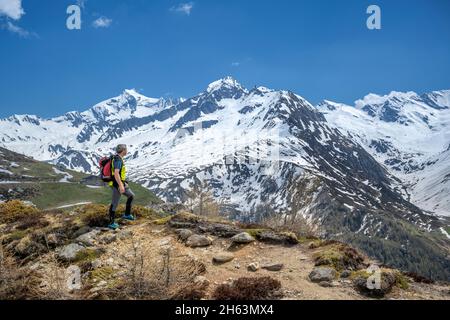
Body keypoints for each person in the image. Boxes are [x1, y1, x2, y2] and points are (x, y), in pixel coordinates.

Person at [108, 144, 135, 230]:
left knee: (131, 195)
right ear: (123, 150)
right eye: (126, 149)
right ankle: (111, 223)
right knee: (114, 203)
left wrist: (123, 183)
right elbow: (116, 173)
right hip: (117, 184)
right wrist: (120, 185)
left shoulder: (117, 158)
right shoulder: (118, 160)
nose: (127, 151)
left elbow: (119, 173)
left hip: (120, 183)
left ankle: (127, 214)